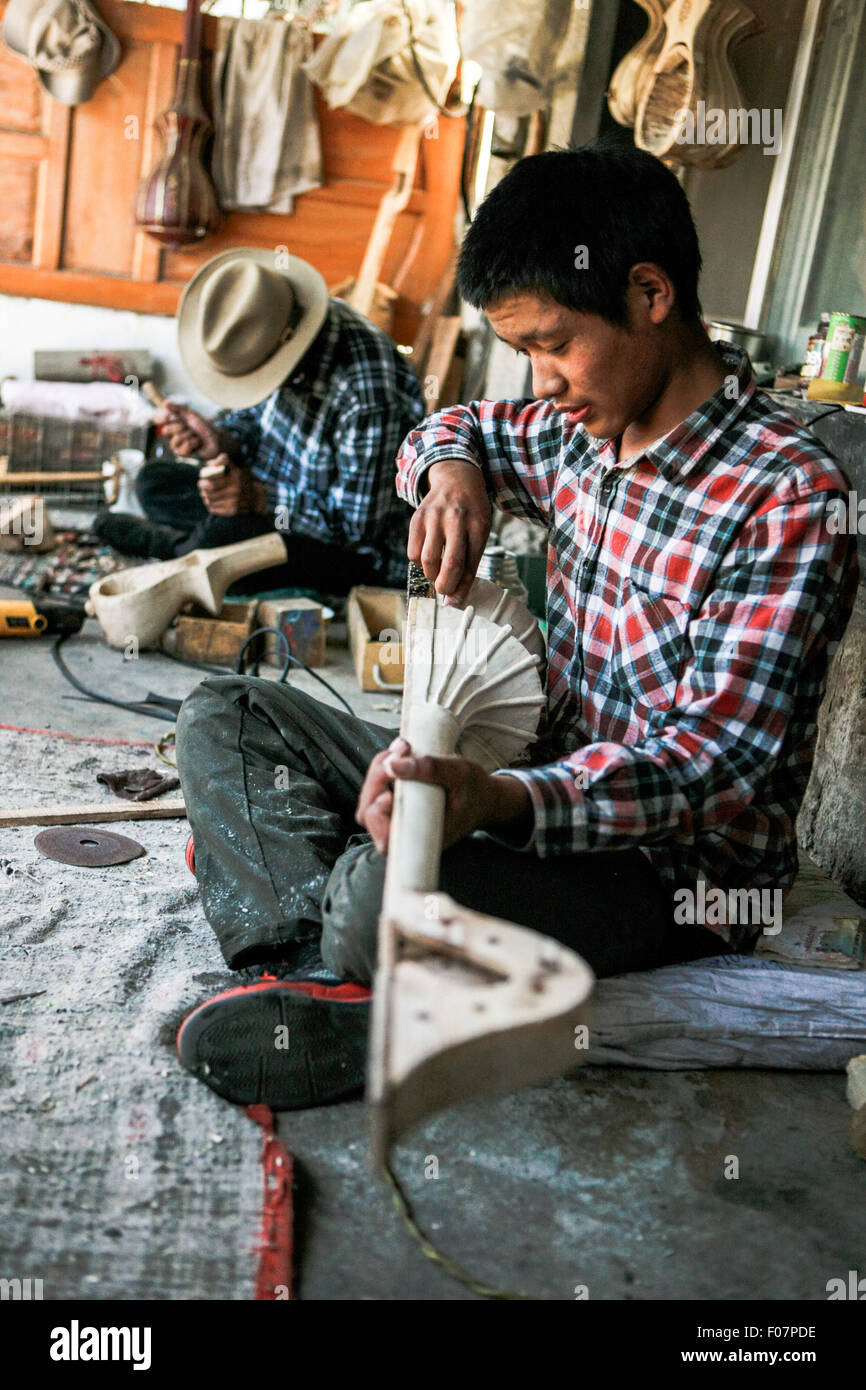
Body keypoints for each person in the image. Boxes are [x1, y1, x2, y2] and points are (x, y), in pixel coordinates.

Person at [174, 141, 858, 1112]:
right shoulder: (573, 428)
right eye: (522, 351)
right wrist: (449, 469)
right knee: (227, 714)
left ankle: (347, 946)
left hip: (665, 873)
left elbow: (715, 764)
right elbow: (453, 424)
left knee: (378, 888)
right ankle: (312, 970)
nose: (538, 380)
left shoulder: (785, 493)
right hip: (515, 779)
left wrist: (495, 800)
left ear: (649, 293)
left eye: (551, 343)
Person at [95, 248, 424, 594]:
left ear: (288, 352)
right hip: (266, 496)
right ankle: (194, 546)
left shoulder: (366, 394)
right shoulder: (278, 328)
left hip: (349, 553)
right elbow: (252, 418)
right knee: (153, 481)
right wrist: (221, 440)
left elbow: (356, 530)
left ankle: (175, 549)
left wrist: (258, 499)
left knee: (223, 544)